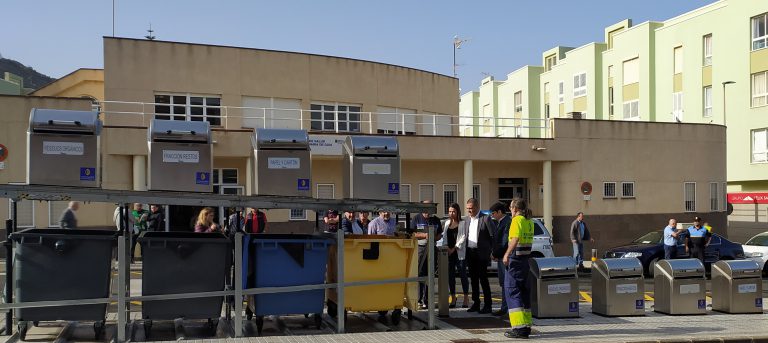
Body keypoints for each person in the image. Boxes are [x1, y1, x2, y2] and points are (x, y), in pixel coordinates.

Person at [502, 198, 534, 339]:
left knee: (512, 291)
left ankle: (519, 328)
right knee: (524, 292)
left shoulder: (517, 220)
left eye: (510, 208)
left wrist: (506, 254)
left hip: (515, 261)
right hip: (525, 260)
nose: (510, 210)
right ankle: (526, 326)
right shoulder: (529, 221)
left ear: (515, 209)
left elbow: (514, 239)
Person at [460, 198, 495, 314]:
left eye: (471, 208)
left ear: (477, 207)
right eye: (468, 208)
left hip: (482, 254)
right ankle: (476, 303)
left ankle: (488, 304)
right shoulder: (467, 220)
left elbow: (493, 236)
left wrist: (492, 251)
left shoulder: (485, 218)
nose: (469, 211)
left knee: (483, 279)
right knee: (473, 279)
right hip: (471, 252)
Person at [367, 210, 400, 324]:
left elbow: (398, 237)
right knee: (379, 283)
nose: (386, 214)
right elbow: (368, 242)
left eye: (388, 211)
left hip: (393, 260)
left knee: (391, 284)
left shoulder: (394, 222)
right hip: (378, 260)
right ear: (379, 212)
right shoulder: (373, 224)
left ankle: (389, 305)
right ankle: (381, 306)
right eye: (383, 211)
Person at [412, 200, 443, 309]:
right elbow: (412, 233)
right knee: (420, 274)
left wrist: (434, 237)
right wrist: (424, 235)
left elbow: (440, 234)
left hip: (432, 248)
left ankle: (428, 300)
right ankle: (419, 299)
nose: (427, 211)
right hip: (420, 249)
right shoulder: (416, 218)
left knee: (430, 275)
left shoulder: (436, 220)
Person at [444, 202, 469, 308]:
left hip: (459, 253)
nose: (451, 213)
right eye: (449, 211)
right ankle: (453, 297)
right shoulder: (446, 223)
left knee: (463, 275)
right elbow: (444, 236)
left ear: (457, 212)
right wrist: (447, 248)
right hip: (449, 253)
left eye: (453, 211)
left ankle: (466, 298)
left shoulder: (463, 223)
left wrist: (454, 248)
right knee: (450, 276)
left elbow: (463, 237)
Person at [489, 201, 512, 316]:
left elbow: (504, 242)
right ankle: (504, 307)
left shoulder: (507, 222)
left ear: (499, 212)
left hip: (504, 257)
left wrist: (495, 254)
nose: (492, 215)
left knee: (506, 283)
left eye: (493, 213)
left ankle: (507, 308)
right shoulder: (500, 222)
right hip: (501, 256)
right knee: (503, 283)